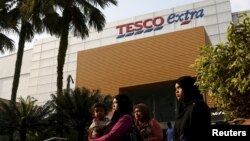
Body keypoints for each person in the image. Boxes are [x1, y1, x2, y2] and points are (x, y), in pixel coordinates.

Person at [174, 76, 211, 141]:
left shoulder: (198, 106)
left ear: (187, 88)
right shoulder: (181, 109)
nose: (176, 91)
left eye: (179, 87)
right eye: (175, 88)